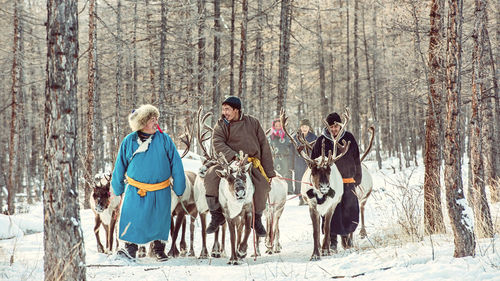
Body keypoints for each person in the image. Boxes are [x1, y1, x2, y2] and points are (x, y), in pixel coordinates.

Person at [111, 104, 186, 261]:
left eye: (156, 119)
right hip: (135, 189)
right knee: (132, 217)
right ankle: (130, 248)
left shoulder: (164, 140)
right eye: (152, 119)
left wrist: (179, 187)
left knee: (159, 218)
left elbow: (176, 165)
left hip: (160, 189)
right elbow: (120, 166)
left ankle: (159, 249)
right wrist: (117, 188)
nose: (156, 123)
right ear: (142, 122)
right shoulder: (129, 141)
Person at [203, 96, 276, 237]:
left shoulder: (253, 122)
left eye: (228, 109)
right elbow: (217, 143)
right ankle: (216, 215)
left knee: (262, 185)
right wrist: (234, 156)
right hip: (228, 162)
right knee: (211, 176)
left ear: (236, 110)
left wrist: (269, 171)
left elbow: (264, 145)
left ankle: (256, 218)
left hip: (250, 163)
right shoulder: (221, 124)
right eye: (223, 109)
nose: (225, 112)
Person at [310, 112, 361, 250]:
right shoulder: (321, 140)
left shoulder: (348, 137)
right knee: (331, 212)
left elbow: (356, 158)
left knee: (349, 210)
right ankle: (332, 240)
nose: (333, 129)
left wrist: (358, 177)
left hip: (347, 180)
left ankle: (347, 237)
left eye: (336, 127)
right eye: (331, 127)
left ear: (340, 126)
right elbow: (313, 161)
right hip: (329, 184)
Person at [293, 119, 317, 204]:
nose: (304, 128)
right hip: (298, 161)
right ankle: (301, 198)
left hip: (309, 161)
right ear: (300, 127)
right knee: (299, 178)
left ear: (309, 127)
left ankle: (310, 196)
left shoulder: (314, 137)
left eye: (306, 126)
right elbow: (292, 151)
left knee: (309, 178)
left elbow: (316, 150)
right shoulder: (295, 137)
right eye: (303, 126)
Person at [268, 118, 294, 194]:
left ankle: (289, 191)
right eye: (276, 126)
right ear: (273, 126)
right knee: (276, 177)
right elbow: (269, 150)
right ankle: (277, 191)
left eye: (280, 125)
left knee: (287, 175)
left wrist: (291, 162)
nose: (278, 127)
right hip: (276, 160)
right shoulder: (271, 138)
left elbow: (292, 150)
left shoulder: (287, 137)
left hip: (286, 159)